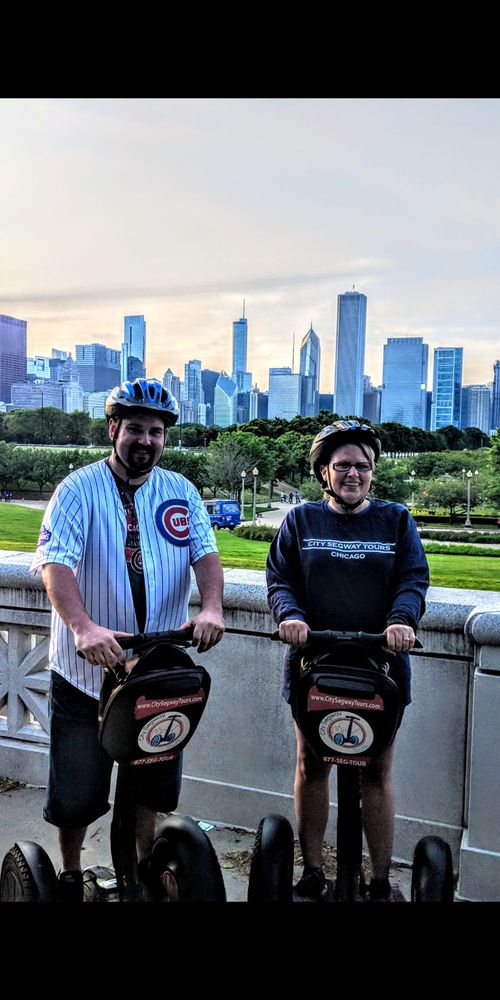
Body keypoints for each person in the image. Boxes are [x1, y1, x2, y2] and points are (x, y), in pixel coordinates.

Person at [30, 377, 225, 902]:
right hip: (88, 671)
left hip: (157, 668)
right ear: (113, 429)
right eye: (135, 428)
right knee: (77, 791)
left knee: (151, 785)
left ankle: (140, 870)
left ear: (165, 438)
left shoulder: (180, 492)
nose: (146, 440)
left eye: (156, 431)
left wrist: (210, 606)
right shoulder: (77, 489)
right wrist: (83, 627)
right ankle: (72, 873)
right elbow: (55, 564)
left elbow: (205, 555)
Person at [266, 420, 429, 902]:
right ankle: (314, 872)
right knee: (310, 764)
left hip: (381, 667)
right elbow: (279, 579)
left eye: (362, 466)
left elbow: (413, 579)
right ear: (324, 472)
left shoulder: (396, 520)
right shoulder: (301, 521)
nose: (353, 474)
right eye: (342, 466)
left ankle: (379, 881)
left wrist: (402, 620)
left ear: (373, 472)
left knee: (375, 772)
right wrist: (290, 615)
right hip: (313, 663)